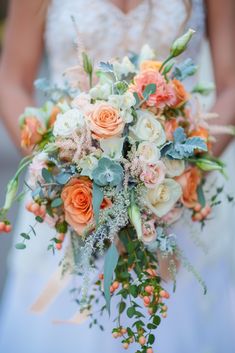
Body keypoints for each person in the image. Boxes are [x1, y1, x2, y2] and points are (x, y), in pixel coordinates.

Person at [0, 1, 235, 353]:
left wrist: (173, 172)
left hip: (173, 207)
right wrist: (60, 168)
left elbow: (231, 85)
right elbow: (12, 81)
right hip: (68, 199)